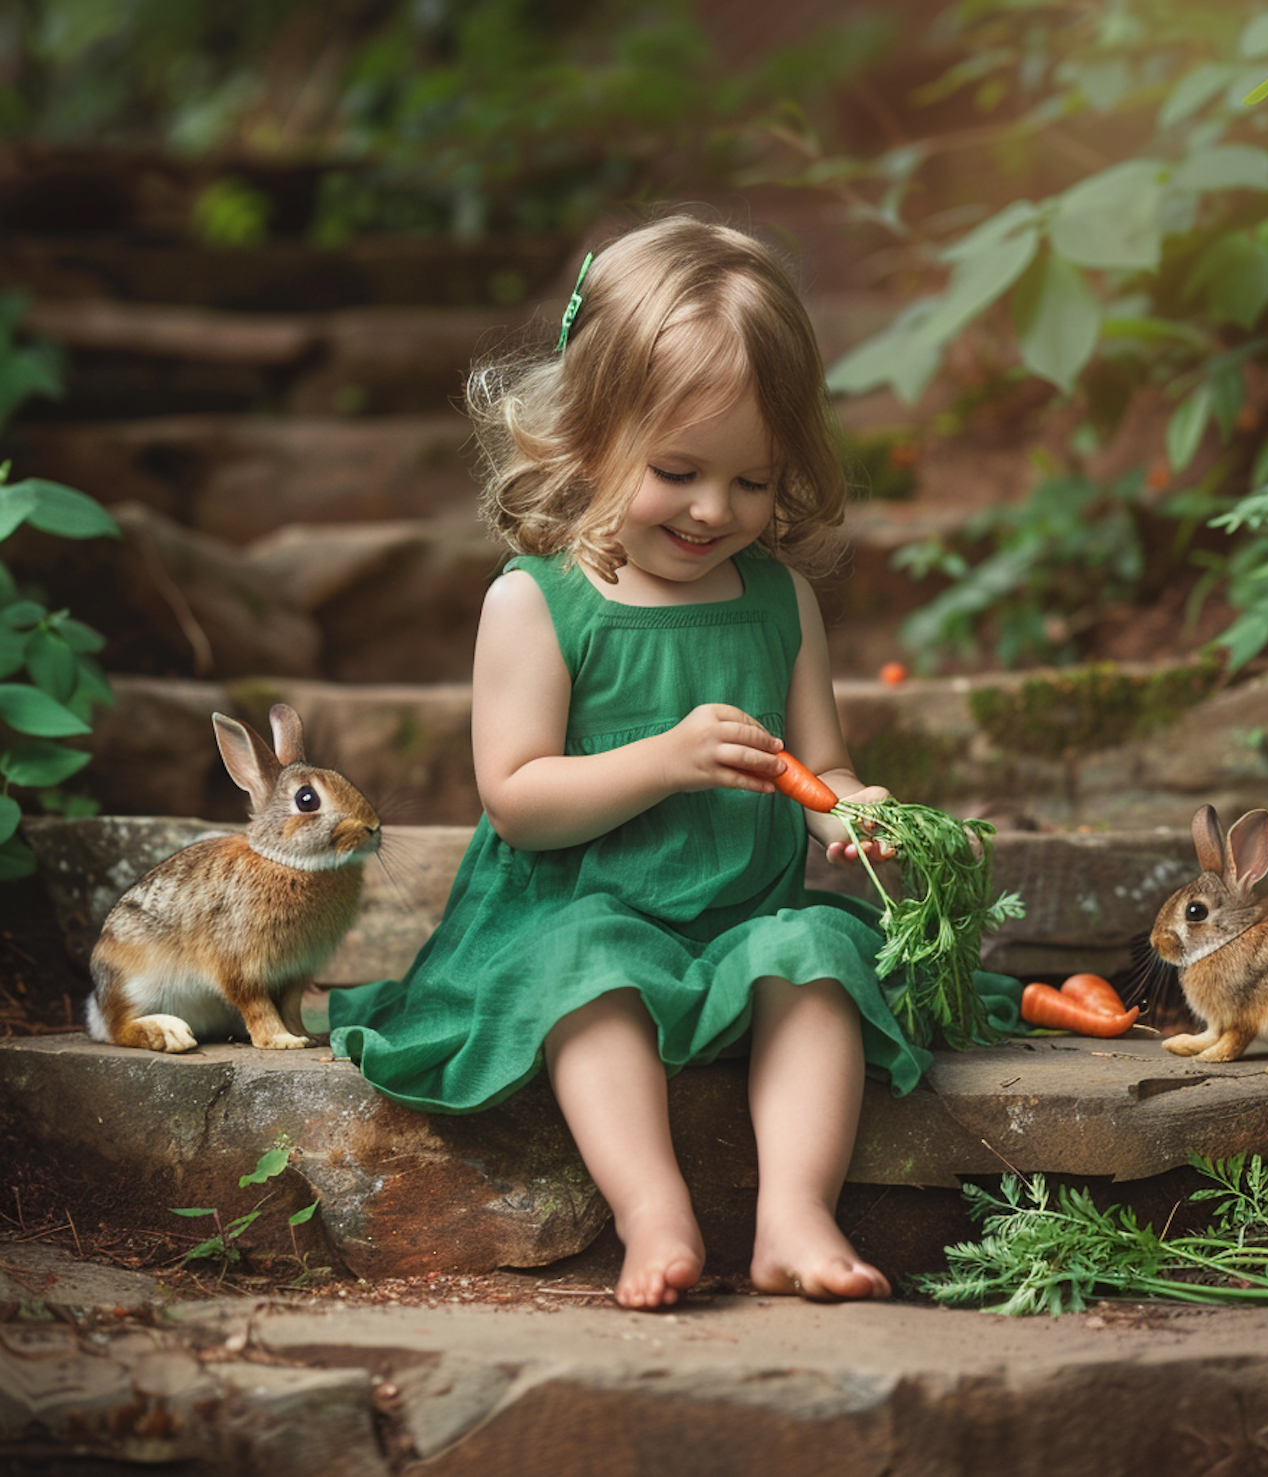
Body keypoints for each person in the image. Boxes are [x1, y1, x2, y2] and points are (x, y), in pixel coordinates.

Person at [331, 214, 936, 1310]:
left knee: (818, 956)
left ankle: (795, 1211)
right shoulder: (539, 603)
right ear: (588, 435)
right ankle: (651, 1208)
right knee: (590, 969)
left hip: (740, 921)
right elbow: (518, 802)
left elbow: (824, 763)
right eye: (678, 470)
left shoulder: (778, 600)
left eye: (755, 482)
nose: (716, 509)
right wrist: (664, 758)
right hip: (578, 914)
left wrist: (849, 812)